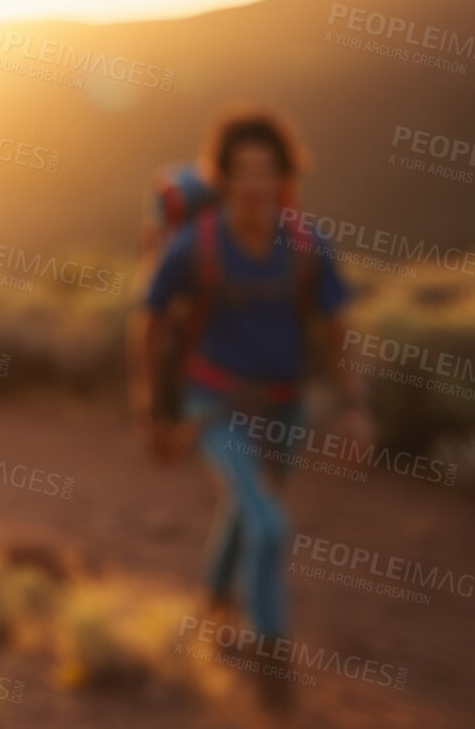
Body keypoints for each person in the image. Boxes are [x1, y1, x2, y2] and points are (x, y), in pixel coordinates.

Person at [130, 108, 364, 716]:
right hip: (214, 404)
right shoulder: (195, 244)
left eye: (267, 171)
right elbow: (150, 320)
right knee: (267, 523)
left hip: (286, 410)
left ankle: (211, 609)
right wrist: (150, 404)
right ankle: (271, 662)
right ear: (223, 178)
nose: (255, 183)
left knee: (246, 509)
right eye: (242, 171)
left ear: (284, 176)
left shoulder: (308, 245)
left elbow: (337, 330)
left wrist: (354, 408)